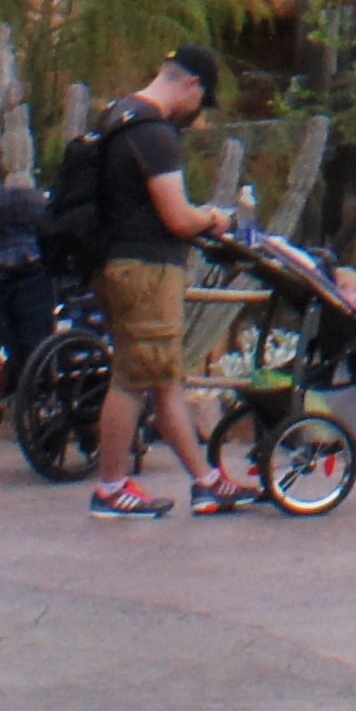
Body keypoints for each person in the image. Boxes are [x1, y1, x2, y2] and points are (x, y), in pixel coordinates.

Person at [82, 46, 243, 519]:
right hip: (146, 268)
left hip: (115, 260)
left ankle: (206, 481)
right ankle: (110, 488)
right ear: (192, 85)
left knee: (162, 376)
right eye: (202, 100)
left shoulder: (116, 116)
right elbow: (176, 217)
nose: (196, 113)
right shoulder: (154, 133)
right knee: (134, 378)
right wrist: (213, 217)